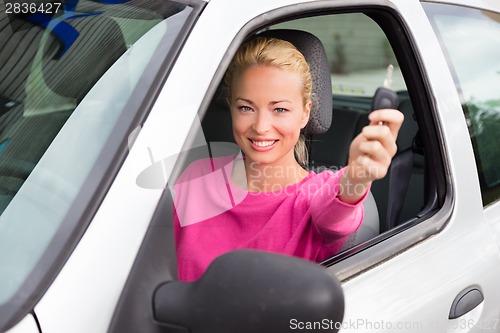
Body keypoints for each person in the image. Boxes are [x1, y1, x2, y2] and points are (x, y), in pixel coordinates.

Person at [173, 37, 404, 282]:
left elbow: (336, 211)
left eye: (280, 109)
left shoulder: (315, 195)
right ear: (230, 106)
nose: (261, 127)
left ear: (305, 113)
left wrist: (357, 176)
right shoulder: (197, 175)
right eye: (246, 108)